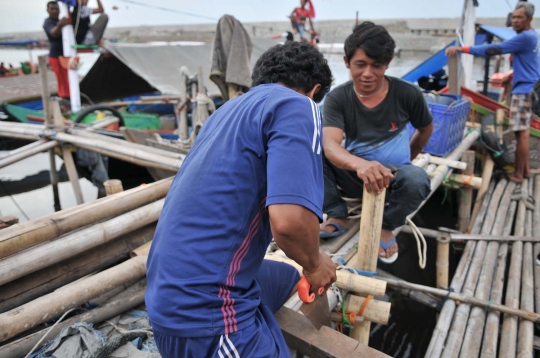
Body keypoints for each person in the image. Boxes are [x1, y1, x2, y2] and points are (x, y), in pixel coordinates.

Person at [146, 41, 335, 357]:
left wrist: (305, 267)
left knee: (288, 276)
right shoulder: (300, 105)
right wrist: (315, 264)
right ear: (315, 90)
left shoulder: (226, 112)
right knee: (309, 271)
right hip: (200, 316)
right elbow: (288, 225)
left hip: (165, 292)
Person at [319, 22, 433, 264]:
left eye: (377, 65)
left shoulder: (407, 93)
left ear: (388, 64)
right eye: (360, 64)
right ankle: (337, 214)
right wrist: (362, 166)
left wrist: (407, 161)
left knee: (417, 180)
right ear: (347, 62)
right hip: (353, 178)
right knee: (314, 150)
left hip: (393, 180)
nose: (368, 73)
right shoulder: (337, 98)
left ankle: (386, 224)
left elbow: (425, 128)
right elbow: (331, 145)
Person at [446, 1, 540, 183]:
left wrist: (463, 49)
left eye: (519, 17)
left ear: (529, 19)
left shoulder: (524, 38)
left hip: (524, 91)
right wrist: (511, 76)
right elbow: (530, 65)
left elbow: (494, 49)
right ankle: (526, 171)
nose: (515, 21)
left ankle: (519, 174)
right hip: (530, 88)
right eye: (513, 17)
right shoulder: (532, 36)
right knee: (524, 134)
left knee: (521, 134)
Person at [43, 1, 70, 99]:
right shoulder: (48, 22)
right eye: (52, 9)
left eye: (56, 9)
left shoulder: (60, 21)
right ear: (48, 10)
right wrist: (60, 25)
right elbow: (54, 33)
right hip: (56, 56)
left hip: (65, 55)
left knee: (68, 80)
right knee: (62, 81)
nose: (55, 11)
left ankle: (69, 99)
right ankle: (65, 101)